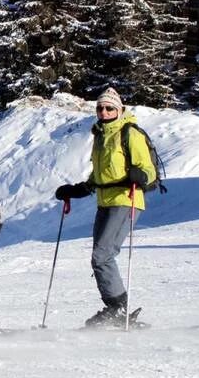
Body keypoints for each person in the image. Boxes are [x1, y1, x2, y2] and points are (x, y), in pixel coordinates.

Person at [55, 87, 156, 327]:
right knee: (98, 257)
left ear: (119, 110)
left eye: (109, 107)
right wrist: (77, 190)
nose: (104, 111)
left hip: (126, 198)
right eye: (100, 107)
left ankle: (118, 309)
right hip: (105, 200)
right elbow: (99, 176)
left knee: (102, 255)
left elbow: (149, 172)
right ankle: (117, 308)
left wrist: (139, 175)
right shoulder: (101, 136)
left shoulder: (130, 133)